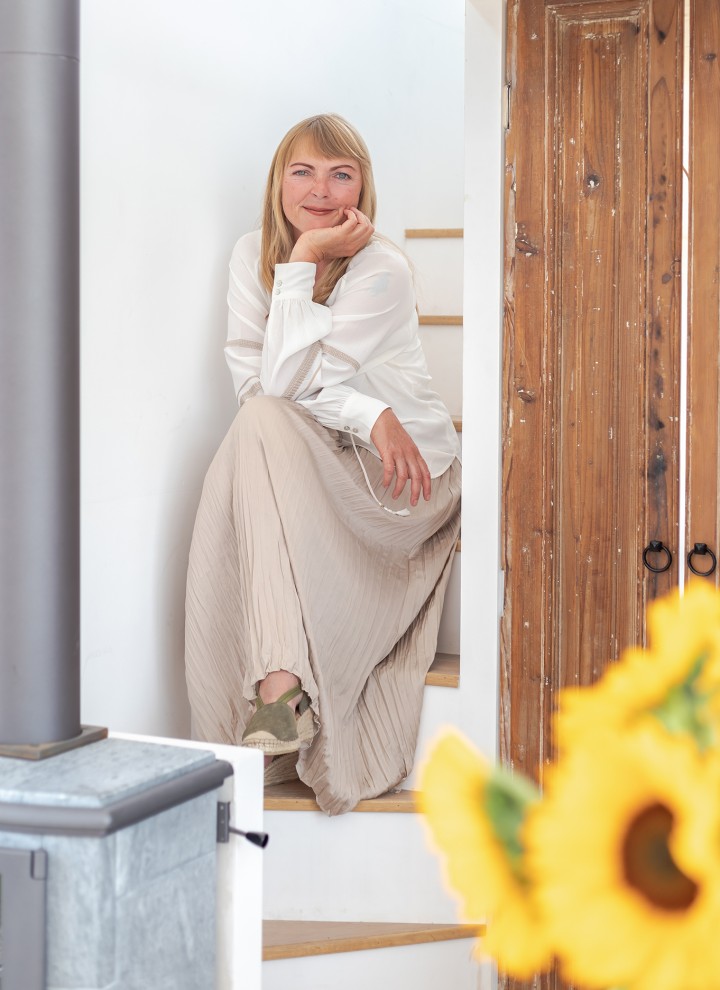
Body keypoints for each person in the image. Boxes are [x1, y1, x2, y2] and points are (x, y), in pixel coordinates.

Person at [185, 113, 461, 816]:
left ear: (363, 187)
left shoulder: (382, 268)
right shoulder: (249, 254)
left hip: (402, 481)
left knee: (260, 427)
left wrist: (304, 257)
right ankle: (281, 685)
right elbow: (261, 388)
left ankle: (279, 693)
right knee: (256, 426)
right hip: (319, 455)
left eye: (341, 175)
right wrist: (367, 409)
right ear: (277, 182)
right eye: (303, 172)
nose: (321, 190)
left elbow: (283, 382)